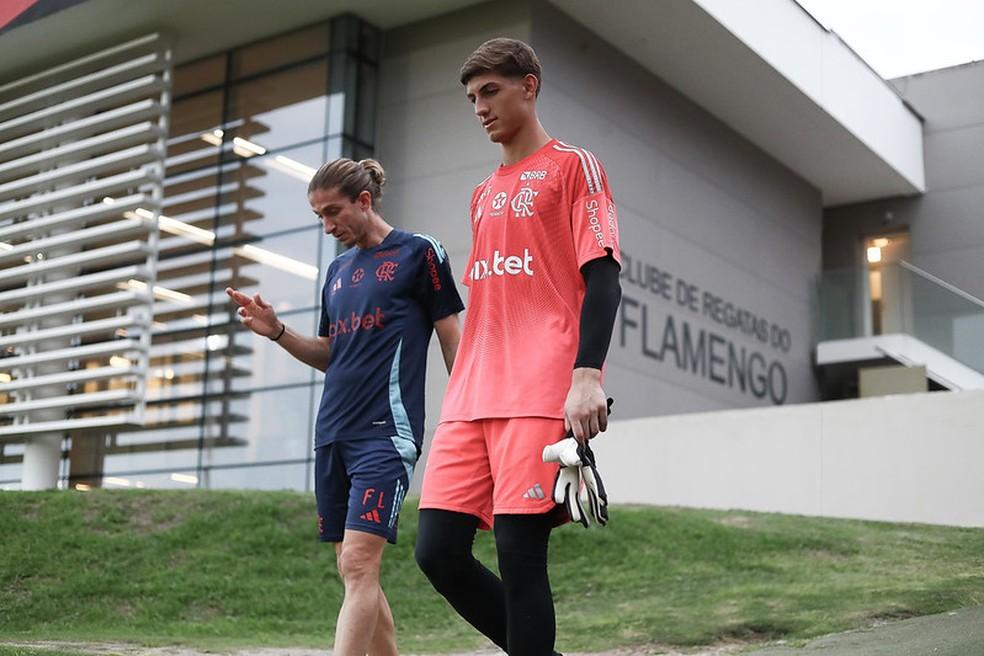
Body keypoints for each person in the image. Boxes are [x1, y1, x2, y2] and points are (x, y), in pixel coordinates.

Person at [414, 38, 622, 656]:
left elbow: (604, 278)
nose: (479, 107)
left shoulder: (574, 166)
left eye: (491, 91)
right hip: (470, 396)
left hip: (540, 388)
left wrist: (587, 376)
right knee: (438, 553)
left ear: (529, 86)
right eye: (472, 97)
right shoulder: (482, 194)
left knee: (519, 554)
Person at [226, 158, 464, 656]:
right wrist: (277, 331)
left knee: (359, 564)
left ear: (364, 200)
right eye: (319, 216)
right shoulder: (337, 272)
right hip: (332, 433)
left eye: (333, 212)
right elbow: (331, 354)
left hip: (387, 432)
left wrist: (466, 412)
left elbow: (452, 339)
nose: (328, 225)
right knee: (353, 570)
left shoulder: (420, 253)